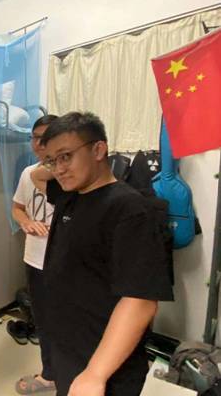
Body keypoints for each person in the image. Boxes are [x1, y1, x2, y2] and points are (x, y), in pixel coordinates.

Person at [34, 112, 173, 396]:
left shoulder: (129, 209)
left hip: (105, 363)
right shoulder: (69, 194)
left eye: (66, 156)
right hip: (68, 350)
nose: (58, 169)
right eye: (52, 161)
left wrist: (96, 373)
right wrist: (58, 156)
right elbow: (36, 175)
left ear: (99, 150)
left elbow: (140, 300)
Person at [11, 115, 57, 394]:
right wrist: (26, 222)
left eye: (45, 137)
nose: (39, 143)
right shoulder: (28, 172)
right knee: (43, 320)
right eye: (35, 137)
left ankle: (74, 372)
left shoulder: (69, 172)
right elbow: (17, 208)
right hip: (34, 257)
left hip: (63, 260)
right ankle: (49, 373)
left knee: (68, 320)